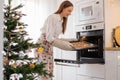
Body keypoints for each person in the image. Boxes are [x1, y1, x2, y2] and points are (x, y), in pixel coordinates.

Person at [36, 1, 74, 80]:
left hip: (49, 47)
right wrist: (66, 46)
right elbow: (49, 38)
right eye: (69, 10)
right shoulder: (53, 17)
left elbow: (55, 38)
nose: (70, 13)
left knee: (49, 72)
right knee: (44, 72)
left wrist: (72, 40)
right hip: (42, 46)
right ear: (63, 8)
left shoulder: (61, 20)